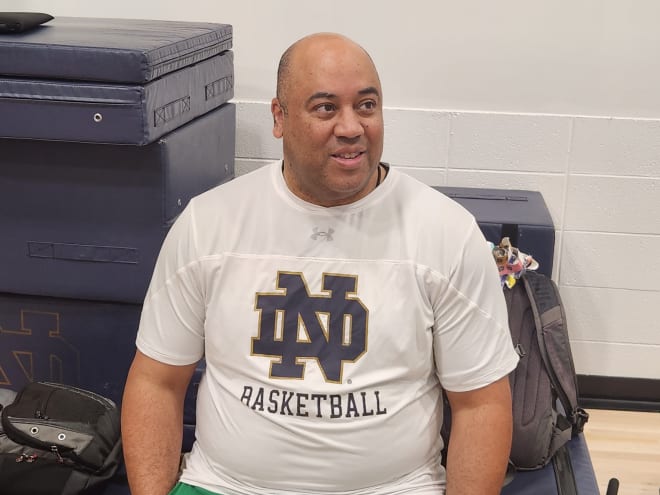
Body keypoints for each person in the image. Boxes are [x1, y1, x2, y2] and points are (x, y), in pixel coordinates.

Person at [121, 32, 519, 495]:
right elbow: (156, 382)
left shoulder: (447, 232)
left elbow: (480, 405)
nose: (351, 126)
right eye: (325, 108)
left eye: (366, 105)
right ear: (279, 117)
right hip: (226, 485)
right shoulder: (207, 224)